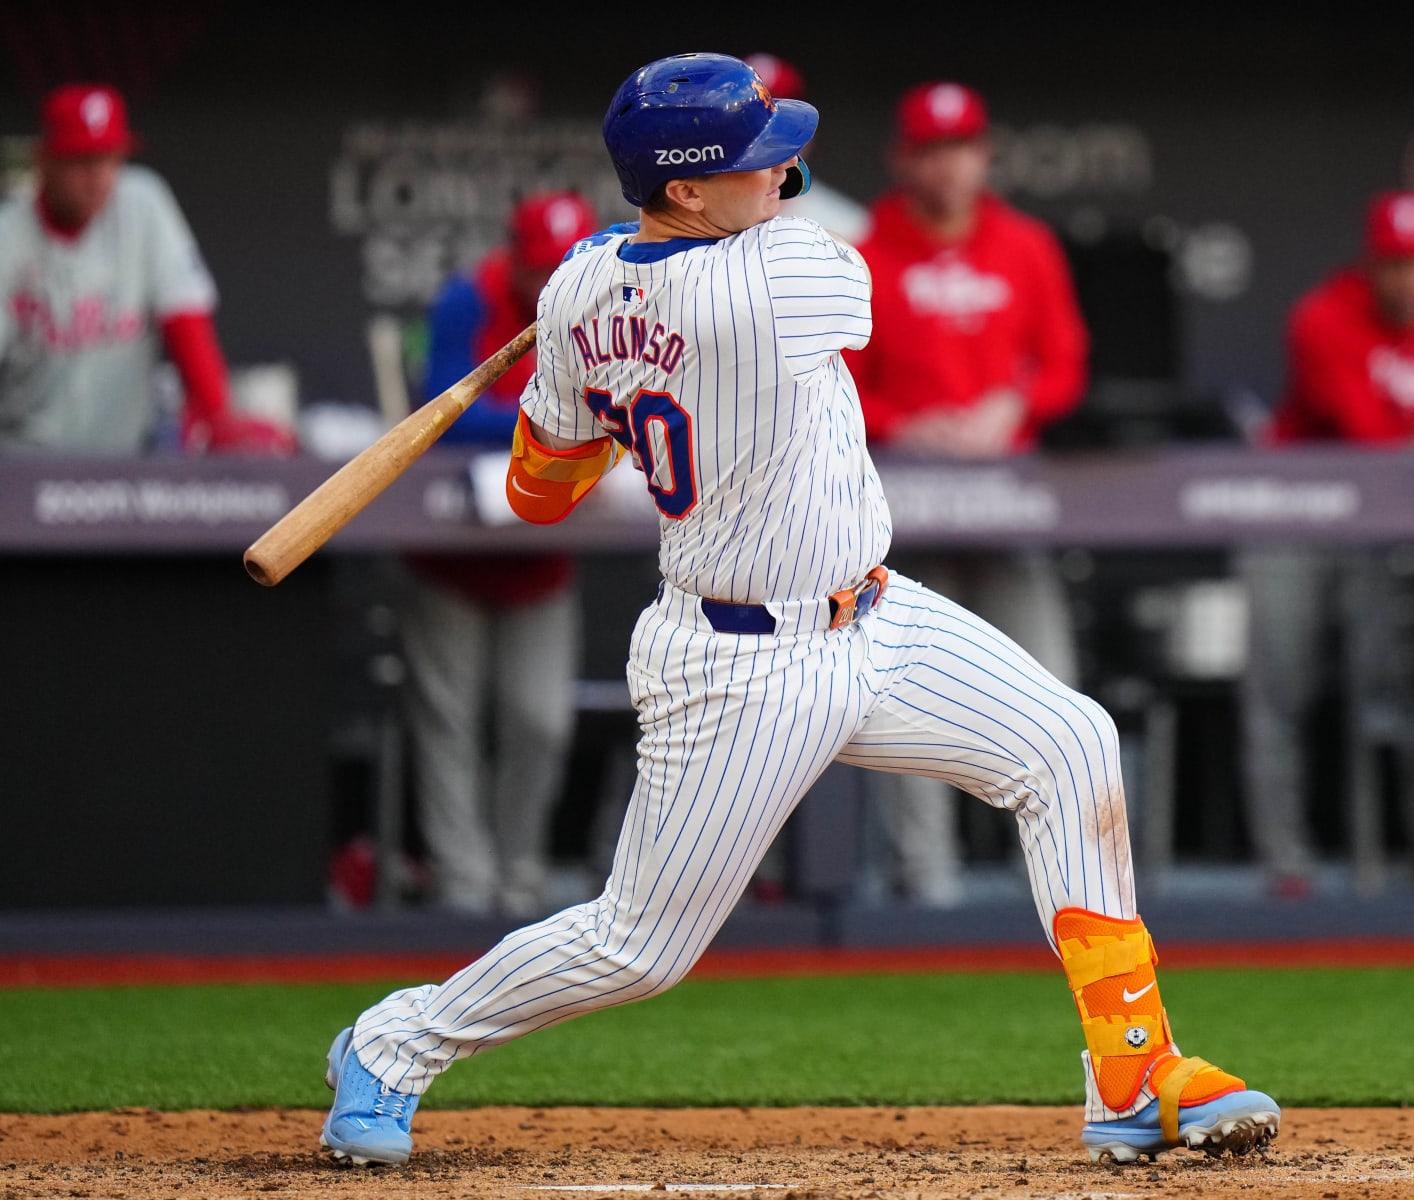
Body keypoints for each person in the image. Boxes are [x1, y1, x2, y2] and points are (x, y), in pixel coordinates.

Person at [318, 51, 1278, 1169]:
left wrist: (600, 330)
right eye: (756, 160)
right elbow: (777, 261)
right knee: (638, 948)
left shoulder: (580, 290)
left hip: (874, 616)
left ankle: (1134, 1072)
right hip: (739, 664)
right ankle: (391, 1043)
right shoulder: (788, 276)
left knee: (1070, 743)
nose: (785, 171)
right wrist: (621, 309)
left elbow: (540, 487)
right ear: (682, 189)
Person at [843, 79, 1090, 907]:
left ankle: (1066, 893)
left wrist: (1013, 404)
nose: (949, 166)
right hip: (906, 504)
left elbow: (1063, 364)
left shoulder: (1025, 246)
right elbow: (837, 384)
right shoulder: (866, 252)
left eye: (963, 147)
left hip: (1007, 498)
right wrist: (907, 425)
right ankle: (929, 885)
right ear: (902, 158)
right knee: (903, 702)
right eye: (932, 149)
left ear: (984, 154)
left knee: (1052, 695)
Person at [1238, 190, 1414, 896]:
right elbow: (1369, 440)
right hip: (1294, 511)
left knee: (1413, 677)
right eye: (1394, 264)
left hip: (1393, 518)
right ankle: (1285, 860)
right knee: (1281, 689)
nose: (1408, 280)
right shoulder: (1322, 317)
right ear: (1369, 264)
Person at [398, 190, 597, 917]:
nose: (548, 287)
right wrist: (559, 419)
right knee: (449, 721)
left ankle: (518, 877)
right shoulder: (467, 299)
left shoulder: (605, 305)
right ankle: (462, 884)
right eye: (537, 269)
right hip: (452, 551)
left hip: (543, 552)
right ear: (513, 257)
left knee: (539, 719)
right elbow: (446, 413)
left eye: (561, 270)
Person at [0, 82, 291, 454]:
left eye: (109, 158)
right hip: (22, 463)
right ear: (45, 160)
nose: (98, 177)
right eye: (81, 161)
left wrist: (216, 414)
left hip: (125, 462)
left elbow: (185, 315)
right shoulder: (9, 234)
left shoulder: (143, 202)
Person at [743, 53, 869, 243]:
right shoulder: (696, 220)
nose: (766, 137)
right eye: (751, 123)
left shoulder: (847, 226)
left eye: (782, 124)